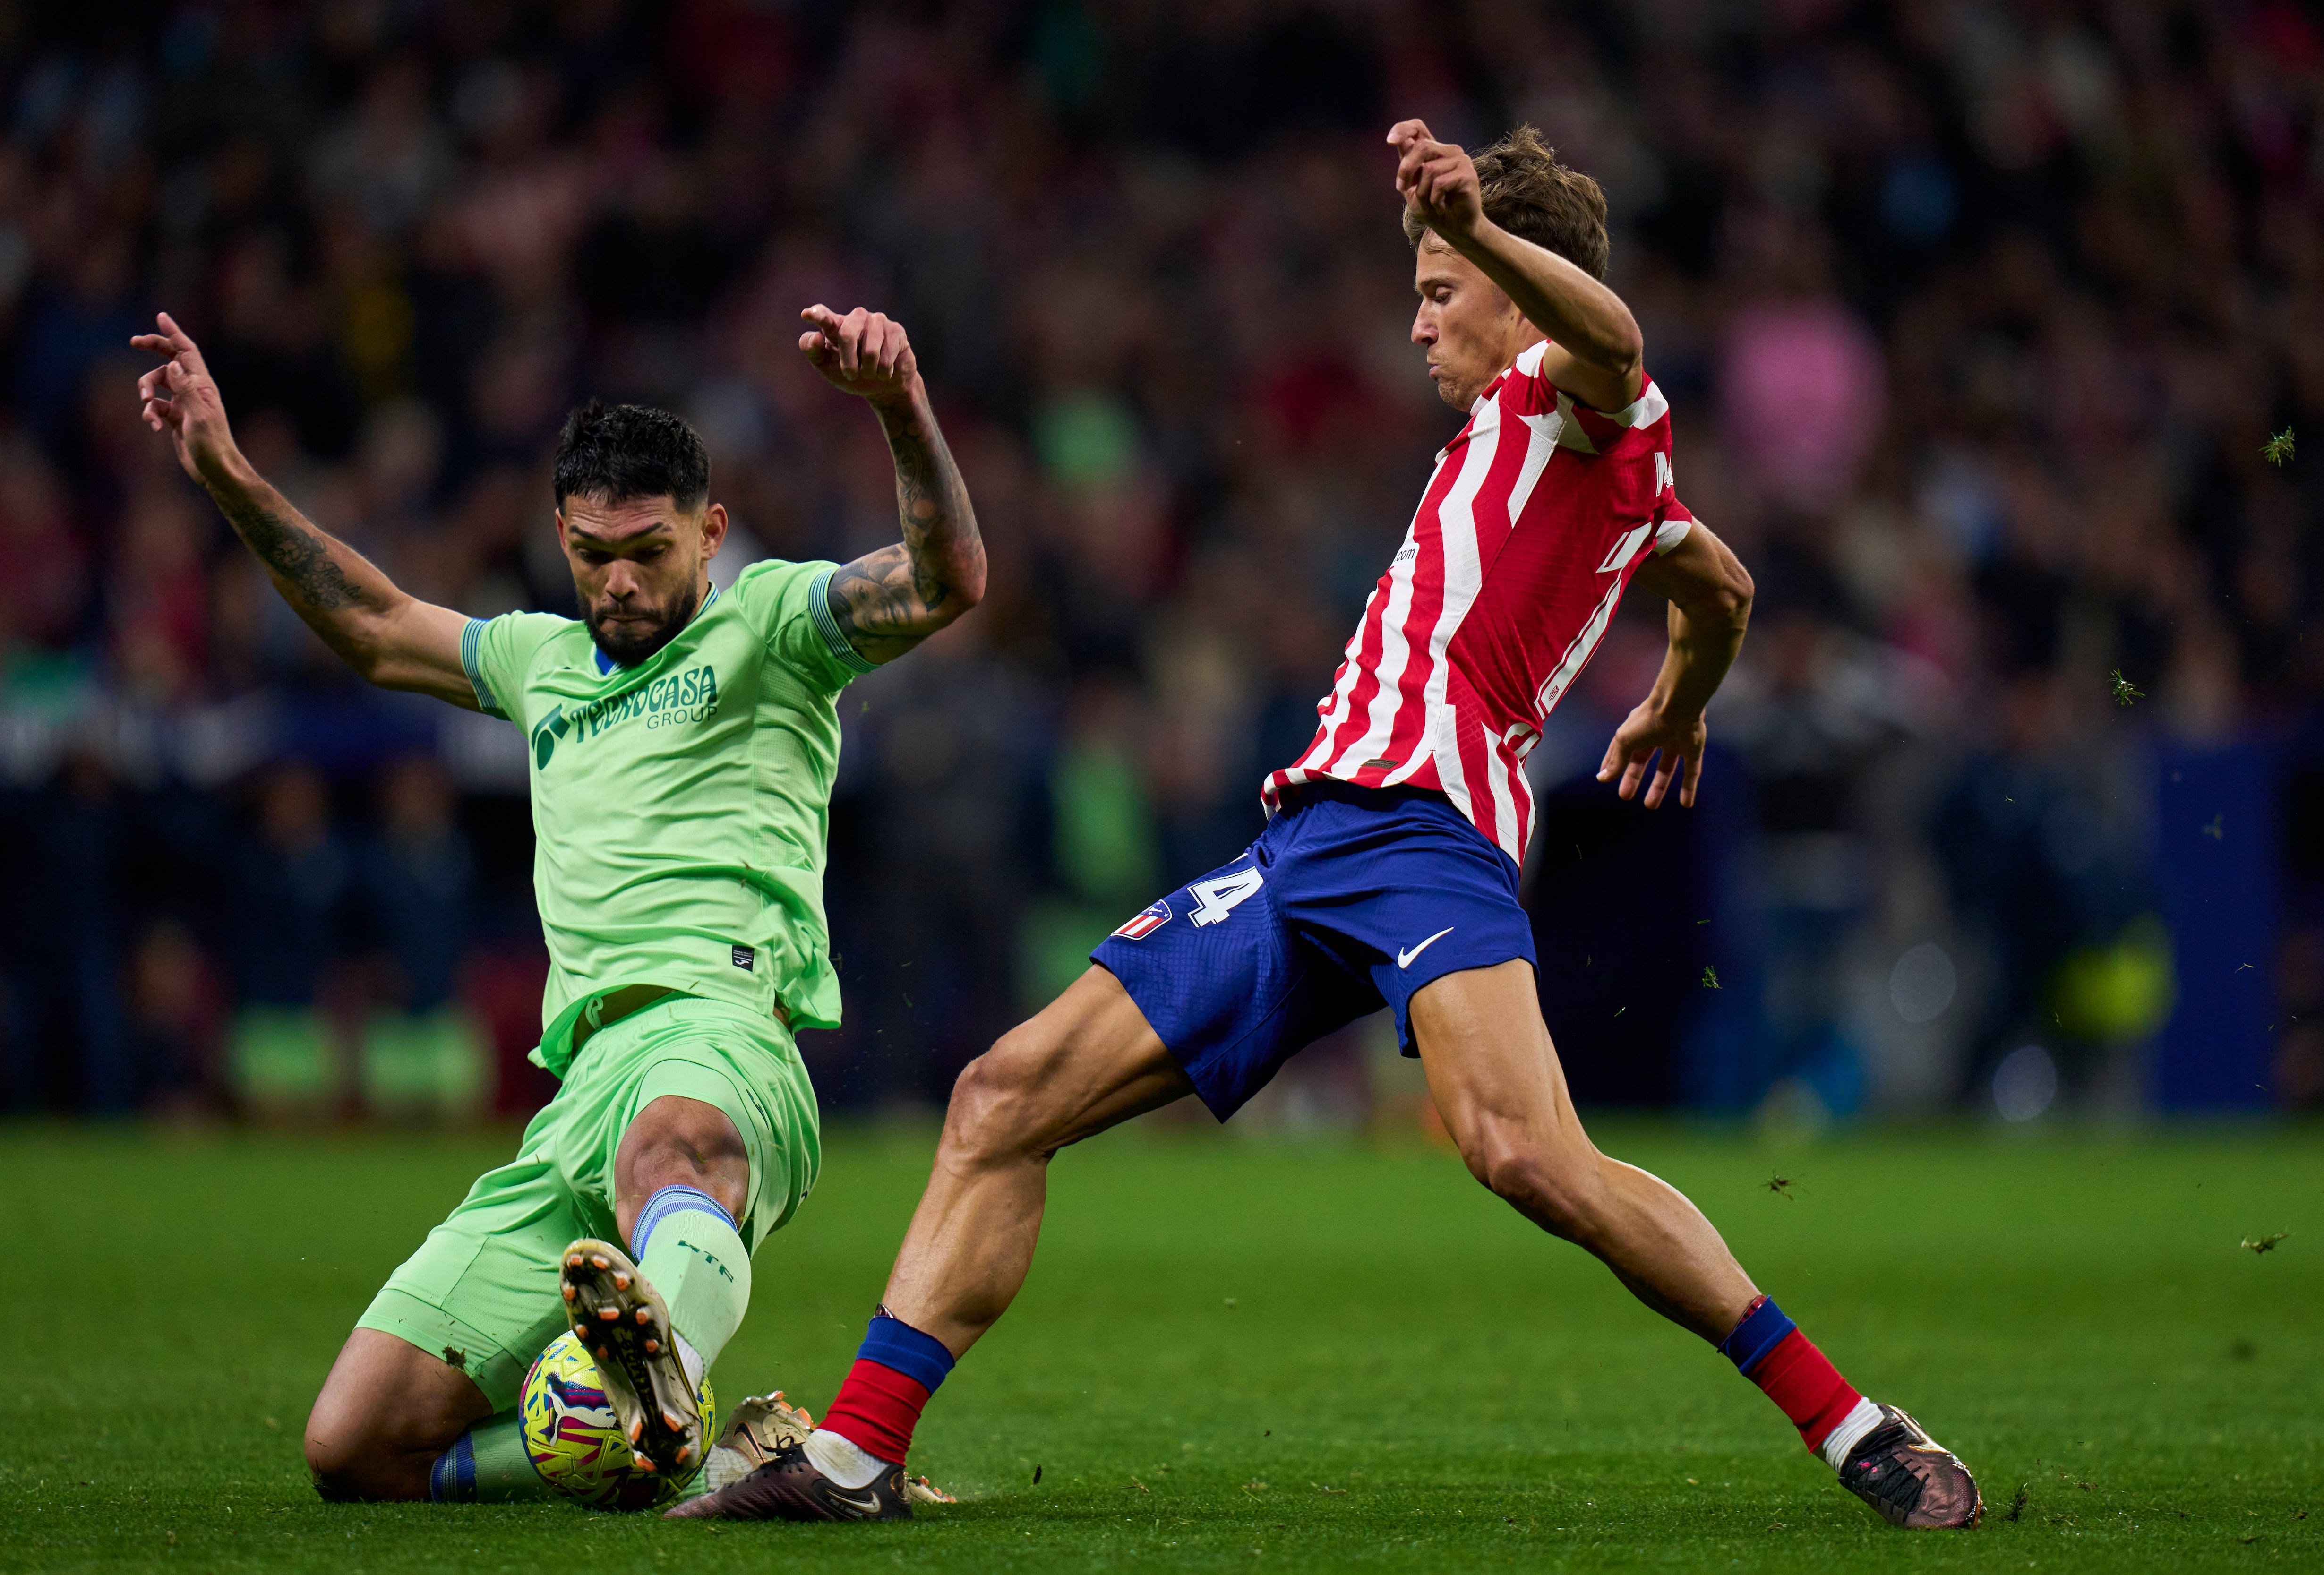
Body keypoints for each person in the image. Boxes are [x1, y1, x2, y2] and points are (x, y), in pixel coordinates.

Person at [680, 122, 1981, 1531]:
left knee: (1525, 1153)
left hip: (1426, 831)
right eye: (1424, 284)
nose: (1419, 317)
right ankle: (856, 1457)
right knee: (1002, 1096)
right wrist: (1677, 696)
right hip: (1304, 847)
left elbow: (1615, 339)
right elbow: (1717, 579)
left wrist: (1480, 228)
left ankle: (1852, 1420)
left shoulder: (1580, 396)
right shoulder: (1566, 464)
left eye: (1441, 289)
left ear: (1516, 283)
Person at [132, 301, 985, 1502]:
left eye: (651, 549)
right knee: (356, 1446)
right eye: (594, 554)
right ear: (560, 538)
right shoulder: (537, 661)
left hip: (721, 1038)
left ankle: (663, 1368)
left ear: (712, 532)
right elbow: (374, 627)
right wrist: (224, 470)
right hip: (574, 1101)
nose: (622, 580)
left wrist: (900, 410)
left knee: (668, 1146)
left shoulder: (773, 625)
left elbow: (949, 581)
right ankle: (692, 1439)